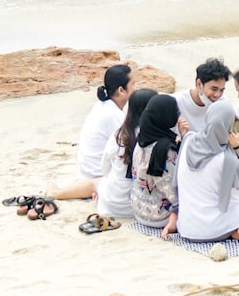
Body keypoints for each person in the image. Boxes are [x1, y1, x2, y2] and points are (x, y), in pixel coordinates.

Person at [176, 99, 239, 243]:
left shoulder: (188, 142)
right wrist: (238, 148)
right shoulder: (225, 159)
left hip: (186, 228)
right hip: (216, 228)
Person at [46, 63, 135, 204]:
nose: (135, 88)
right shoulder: (113, 115)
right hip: (95, 174)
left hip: (87, 169)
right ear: (121, 90)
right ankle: (57, 193)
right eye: (133, 84)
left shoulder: (103, 105)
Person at [95, 87, 158, 218]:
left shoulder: (119, 135)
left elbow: (105, 168)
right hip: (138, 206)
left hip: (111, 202)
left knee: (102, 182)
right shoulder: (155, 139)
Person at [131, 94, 186, 238]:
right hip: (160, 216)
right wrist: (185, 139)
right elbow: (174, 190)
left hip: (139, 210)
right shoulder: (165, 150)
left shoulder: (142, 139)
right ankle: (174, 220)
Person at [173, 57, 231, 132]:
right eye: (214, 89)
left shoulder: (222, 102)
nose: (217, 95)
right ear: (199, 84)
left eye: (221, 90)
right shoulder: (176, 102)